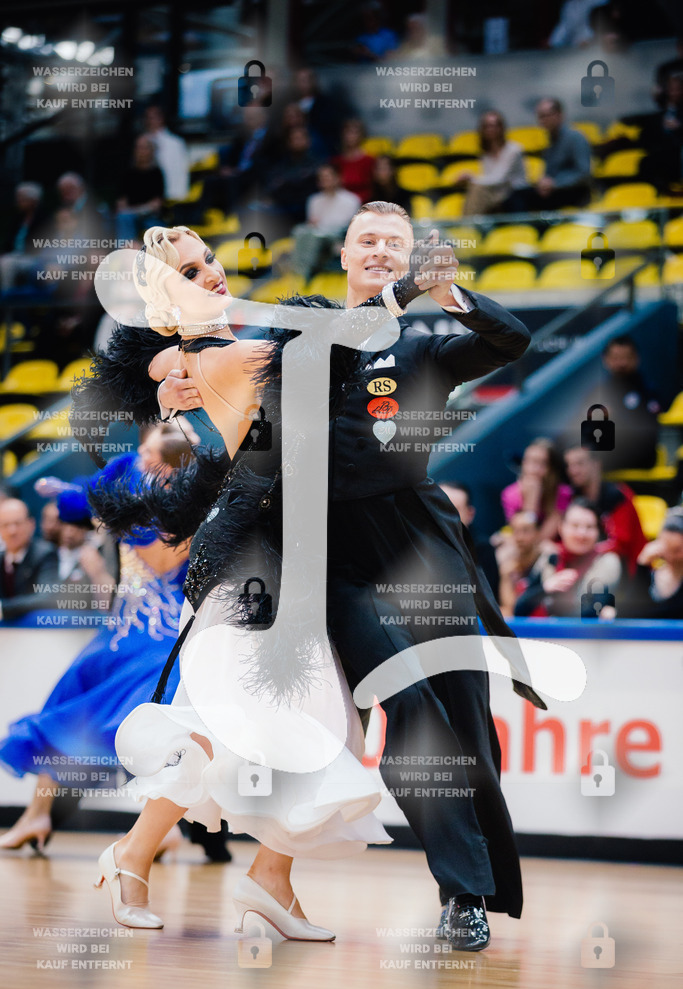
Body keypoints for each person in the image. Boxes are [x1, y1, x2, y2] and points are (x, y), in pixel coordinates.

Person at [149, 206, 546, 950]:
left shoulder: (424, 345)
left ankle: (472, 893)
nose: (380, 252)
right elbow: (199, 356)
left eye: (393, 244)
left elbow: (511, 340)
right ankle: (461, 892)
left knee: (465, 720)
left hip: (421, 550)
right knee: (411, 709)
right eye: (367, 239)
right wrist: (172, 374)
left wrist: (451, 292)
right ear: (343, 252)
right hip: (332, 556)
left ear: (404, 261)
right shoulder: (301, 335)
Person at [0, 424, 193, 856]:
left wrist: (108, 510)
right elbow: (79, 502)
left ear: (170, 466)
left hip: (162, 634)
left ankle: (161, 829)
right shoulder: (129, 472)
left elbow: (159, 555)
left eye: (149, 453)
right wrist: (73, 494)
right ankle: (37, 814)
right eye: (142, 448)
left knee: (145, 720)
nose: (139, 456)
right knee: (70, 698)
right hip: (121, 625)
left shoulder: (189, 505)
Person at [513, 497, 621, 617]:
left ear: (598, 532)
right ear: (561, 528)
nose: (581, 534)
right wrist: (545, 589)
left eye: (589, 527)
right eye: (575, 526)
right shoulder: (550, 558)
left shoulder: (607, 561)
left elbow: (590, 613)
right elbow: (519, 609)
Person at [581, 334, 661, 471]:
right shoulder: (598, 391)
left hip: (640, 458)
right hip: (604, 457)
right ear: (605, 360)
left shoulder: (647, 390)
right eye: (616, 358)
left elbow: (648, 431)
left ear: (636, 358)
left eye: (626, 357)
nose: (622, 363)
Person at [563, 444, 646, 574]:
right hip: (587, 565)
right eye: (570, 465)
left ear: (596, 464)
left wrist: (585, 548)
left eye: (580, 463)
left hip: (629, 572)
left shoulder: (619, 495)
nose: (573, 471)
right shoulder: (573, 497)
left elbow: (621, 543)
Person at [503, 98, 592, 212]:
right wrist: (544, 185)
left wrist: (555, 184)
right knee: (513, 196)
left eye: (546, 116)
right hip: (555, 192)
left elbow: (584, 174)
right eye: (540, 116)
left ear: (559, 115)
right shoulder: (550, 142)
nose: (542, 120)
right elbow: (549, 174)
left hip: (574, 192)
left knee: (519, 197)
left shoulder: (575, 138)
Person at [292, 164, 360, 281]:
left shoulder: (351, 199)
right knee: (300, 231)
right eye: (322, 178)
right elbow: (312, 223)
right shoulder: (314, 200)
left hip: (339, 236)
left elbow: (350, 226)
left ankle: (304, 273)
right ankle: (300, 272)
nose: (325, 180)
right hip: (318, 234)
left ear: (337, 178)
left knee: (314, 236)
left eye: (328, 176)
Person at [501, 437, 573, 543]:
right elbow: (523, 538)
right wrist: (531, 500)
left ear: (552, 469)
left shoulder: (563, 493)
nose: (533, 469)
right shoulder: (510, 494)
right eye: (528, 461)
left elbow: (541, 540)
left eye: (541, 463)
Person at [0, 498, 60, 621]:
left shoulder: (45, 554)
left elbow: (47, 596)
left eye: (17, 523)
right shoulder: (1, 559)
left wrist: (3, 608)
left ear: (31, 524)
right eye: (5, 525)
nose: (12, 531)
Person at [439, 480, 500, 595]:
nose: (444, 515)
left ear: (470, 514)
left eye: (453, 510)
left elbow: (485, 598)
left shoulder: (482, 549)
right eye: (439, 507)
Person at [461, 111, 527, 216]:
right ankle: (470, 225)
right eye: (486, 126)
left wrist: (471, 178)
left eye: (494, 125)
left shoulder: (513, 150)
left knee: (477, 189)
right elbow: (489, 179)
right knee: (476, 190)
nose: (490, 129)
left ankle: (468, 225)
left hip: (513, 193)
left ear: (501, 127)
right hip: (497, 192)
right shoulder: (486, 154)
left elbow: (499, 179)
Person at [628, 506, 683, 618]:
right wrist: (642, 566)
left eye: (677, 550)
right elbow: (630, 613)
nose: (671, 557)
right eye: (667, 548)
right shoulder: (649, 576)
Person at [498, 511, 552, 618]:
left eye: (526, 531)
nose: (520, 537)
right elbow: (510, 607)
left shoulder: (548, 558)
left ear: (537, 533)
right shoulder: (507, 564)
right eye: (515, 531)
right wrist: (506, 577)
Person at [115, 135, 165, 243]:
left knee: (155, 227)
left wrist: (136, 211)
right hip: (129, 216)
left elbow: (156, 205)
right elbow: (121, 203)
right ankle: (125, 254)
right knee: (122, 218)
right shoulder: (127, 173)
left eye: (144, 147)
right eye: (138, 147)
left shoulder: (157, 173)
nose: (140, 151)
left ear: (151, 151)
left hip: (150, 216)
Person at [143, 104, 190, 202]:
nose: (151, 121)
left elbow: (182, 170)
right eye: (148, 118)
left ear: (161, 118)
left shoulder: (176, 143)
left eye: (154, 117)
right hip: (147, 198)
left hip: (171, 196)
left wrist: (180, 196)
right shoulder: (142, 142)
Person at [332, 120, 375, 205]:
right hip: (340, 204)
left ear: (362, 136)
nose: (350, 136)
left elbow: (374, 188)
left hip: (365, 205)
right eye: (347, 132)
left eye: (355, 133)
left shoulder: (369, 161)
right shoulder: (336, 161)